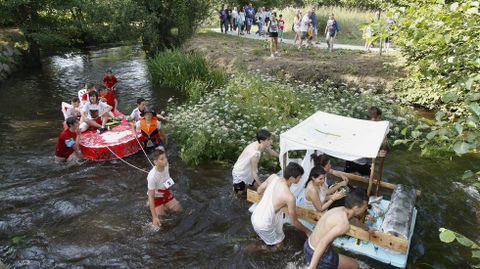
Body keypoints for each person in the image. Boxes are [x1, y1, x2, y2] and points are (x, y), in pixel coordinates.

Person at [304, 189, 371, 269]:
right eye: (365, 206)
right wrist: (312, 267)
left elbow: (353, 220)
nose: (366, 208)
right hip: (318, 253)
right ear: (356, 207)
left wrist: (367, 229)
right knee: (355, 266)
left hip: (308, 245)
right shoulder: (344, 224)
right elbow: (323, 242)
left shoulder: (340, 209)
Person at [251, 162, 312, 247]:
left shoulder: (273, 177)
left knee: (276, 236)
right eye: (299, 177)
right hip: (263, 223)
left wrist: (270, 196)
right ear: (291, 178)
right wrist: (308, 231)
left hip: (256, 214)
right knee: (279, 245)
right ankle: (254, 248)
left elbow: (259, 191)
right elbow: (294, 222)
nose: (300, 179)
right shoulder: (289, 197)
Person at [232, 129, 279, 194]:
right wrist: (262, 186)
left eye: (271, 139)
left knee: (256, 186)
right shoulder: (255, 153)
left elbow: (270, 152)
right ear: (262, 141)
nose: (271, 141)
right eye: (268, 140)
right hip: (240, 173)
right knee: (239, 194)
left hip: (248, 170)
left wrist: (280, 156)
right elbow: (254, 172)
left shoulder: (261, 143)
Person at [345, 107, 387, 176]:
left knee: (372, 176)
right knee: (369, 178)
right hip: (354, 161)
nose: (380, 120)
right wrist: (377, 154)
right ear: (376, 118)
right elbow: (360, 149)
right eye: (379, 118)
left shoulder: (367, 127)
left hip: (357, 161)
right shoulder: (364, 130)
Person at [147, 150, 182, 227]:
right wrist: (154, 217)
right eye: (162, 159)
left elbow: (166, 179)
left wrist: (168, 191)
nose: (165, 160)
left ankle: (165, 205)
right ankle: (151, 206)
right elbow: (151, 196)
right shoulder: (152, 177)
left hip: (165, 192)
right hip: (156, 197)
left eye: (165, 157)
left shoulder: (166, 165)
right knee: (162, 220)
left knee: (179, 210)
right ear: (155, 162)